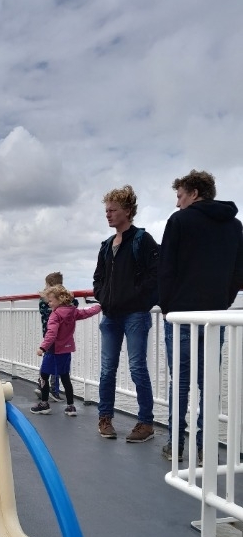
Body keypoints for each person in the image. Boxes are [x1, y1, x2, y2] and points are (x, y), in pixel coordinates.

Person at [159, 169, 243, 462]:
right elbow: (238, 274)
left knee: (180, 382)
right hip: (215, 316)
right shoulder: (235, 226)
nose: (178, 203)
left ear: (194, 193)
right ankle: (205, 448)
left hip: (182, 316)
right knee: (208, 383)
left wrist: (168, 306)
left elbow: (166, 268)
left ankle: (174, 446)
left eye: (180, 196)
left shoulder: (179, 221)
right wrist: (222, 301)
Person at [93, 184, 160, 442]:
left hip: (135, 315)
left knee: (137, 368)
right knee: (107, 369)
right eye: (106, 210)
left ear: (128, 211)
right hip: (110, 315)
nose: (108, 214)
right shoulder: (106, 245)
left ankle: (145, 423)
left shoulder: (142, 240)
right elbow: (98, 277)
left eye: (113, 210)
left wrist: (135, 298)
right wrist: (102, 295)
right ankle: (105, 418)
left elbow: (155, 276)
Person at [31, 285, 101, 415]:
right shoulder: (73, 311)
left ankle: (44, 404)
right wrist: (99, 307)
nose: (49, 303)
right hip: (66, 350)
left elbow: (51, 333)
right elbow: (86, 312)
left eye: (51, 301)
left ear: (60, 300)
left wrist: (42, 347)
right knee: (65, 377)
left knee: (44, 375)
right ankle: (70, 406)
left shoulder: (55, 315)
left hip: (53, 351)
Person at [35, 271, 65, 401]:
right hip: (57, 336)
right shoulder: (57, 303)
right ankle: (53, 389)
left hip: (48, 335)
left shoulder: (43, 301)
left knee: (48, 359)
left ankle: (42, 385)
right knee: (56, 361)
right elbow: (73, 305)